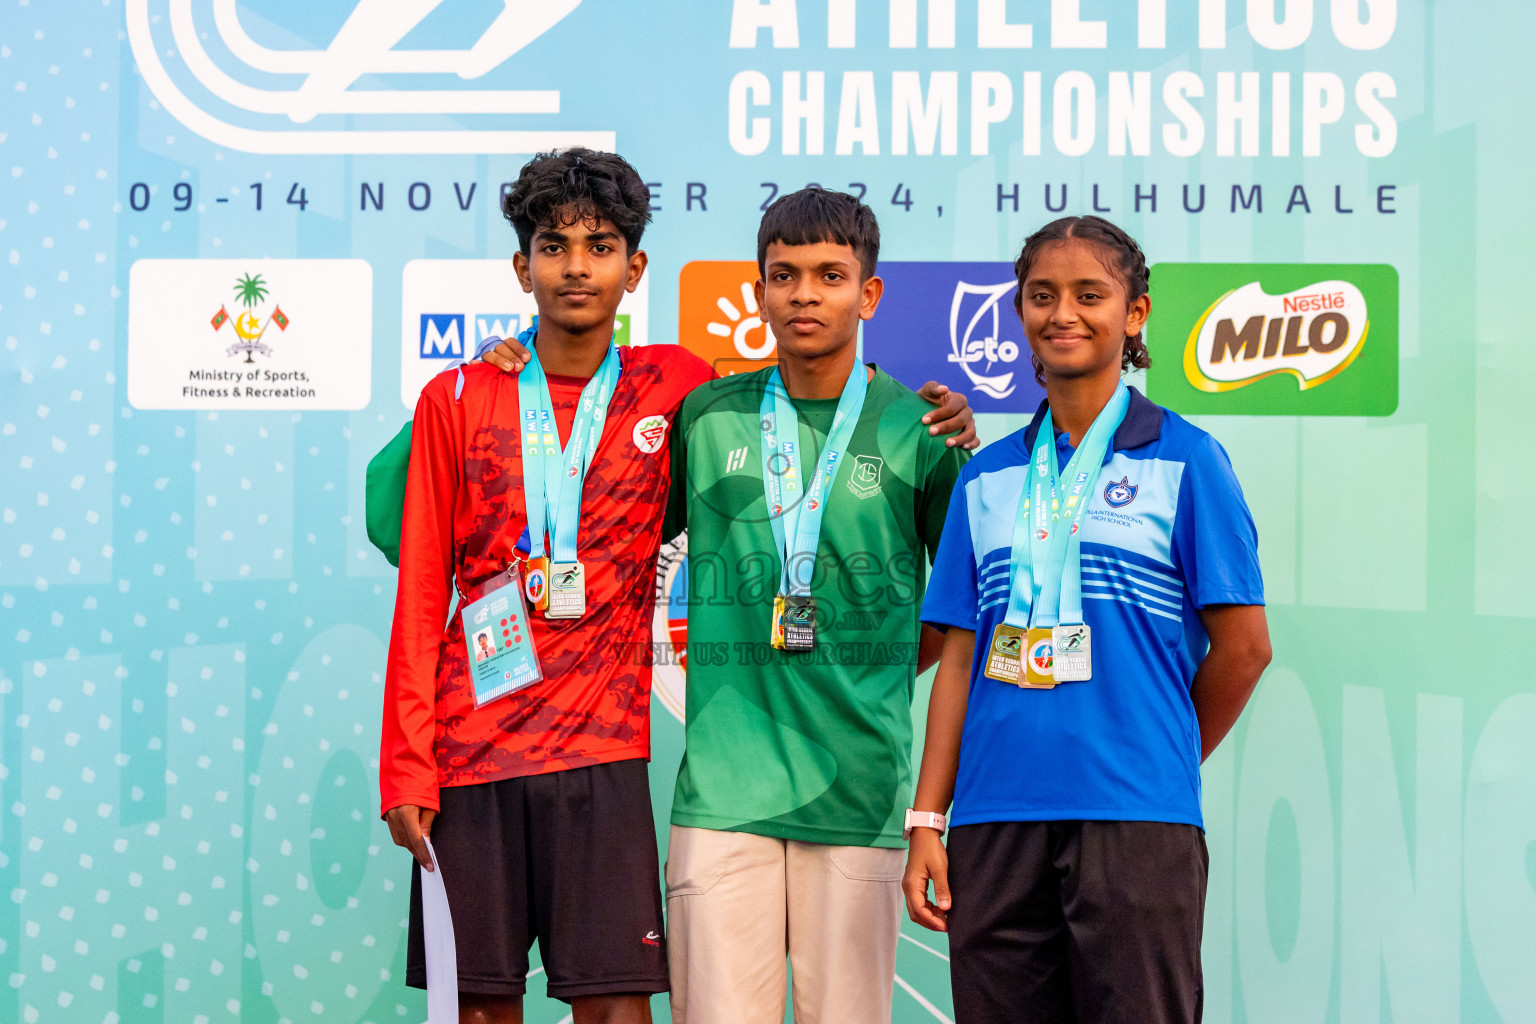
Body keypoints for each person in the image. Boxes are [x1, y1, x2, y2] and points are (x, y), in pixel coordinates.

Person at [377, 151, 976, 1024]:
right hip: (485, 752)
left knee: (622, 1010)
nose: (577, 265)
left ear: (635, 267)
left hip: (617, 757)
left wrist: (876, 663)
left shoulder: (681, 387)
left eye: (601, 245)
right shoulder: (486, 393)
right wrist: (476, 373)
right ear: (522, 266)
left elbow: (953, 611)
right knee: (480, 1008)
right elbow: (412, 551)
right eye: (554, 247)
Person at [904, 215, 1273, 1024]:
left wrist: (1159, 751)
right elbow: (959, 662)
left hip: (1136, 817)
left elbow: (1245, 649)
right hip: (994, 817)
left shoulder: (1189, 458)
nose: (1062, 312)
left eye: (1089, 294)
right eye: (1042, 295)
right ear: (1020, 311)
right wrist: (929, 818)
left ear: (1134, 314)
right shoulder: (987, 478)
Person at [661, 188, 971, 1024]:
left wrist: (874, 668)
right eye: (784, 275)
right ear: (758, 290)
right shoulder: (705, 416)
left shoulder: (920, 429)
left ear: (867, 293)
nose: (805, 294)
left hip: (860, 791)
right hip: (725, 795)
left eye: (830, 275)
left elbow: (966, 608)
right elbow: (619, 541)